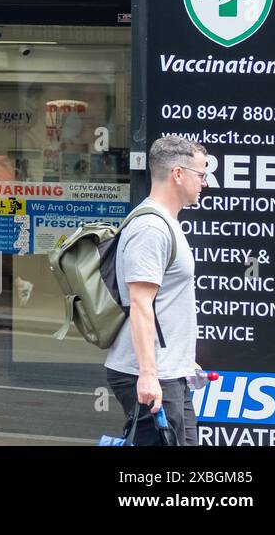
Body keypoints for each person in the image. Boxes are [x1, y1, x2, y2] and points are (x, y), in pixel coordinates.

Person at [104, 135, 204, 446]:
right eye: (201, 175)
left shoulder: (166, 223)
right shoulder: (151, 229)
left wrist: (183, 359)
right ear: (178, 174)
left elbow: (165, 303)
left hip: (170, 371)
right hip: (149, 373)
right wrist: (148, 374)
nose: (205, 183)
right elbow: (141, 303)